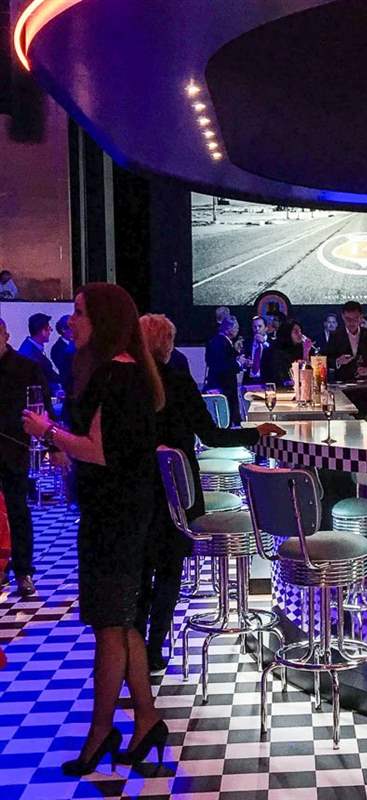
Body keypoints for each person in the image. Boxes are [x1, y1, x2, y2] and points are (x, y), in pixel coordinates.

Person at [22, 283, 166, 775]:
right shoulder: (125, 370)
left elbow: (100, 451)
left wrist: (48, 432)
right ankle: (146, 719)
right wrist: (65, 448)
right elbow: (105, 450)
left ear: (102, 320)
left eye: (80, 312)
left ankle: (101, 731)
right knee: (121, 623)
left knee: (110, 624)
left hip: (116, 516)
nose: (72, 320)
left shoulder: (115, 374)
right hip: (121, 510)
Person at [137, 314, 285, 671]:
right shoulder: (177, 380)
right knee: (169, 570)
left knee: (141, 573)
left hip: (138, 491)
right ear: (166, 344)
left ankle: (134, 648)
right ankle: (153, 649)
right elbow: (213, 435)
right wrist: (256, 434)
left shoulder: (127, 384)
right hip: (178, 494)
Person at [0, 317, 50, 597]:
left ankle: (23, 571)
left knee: (17, 510)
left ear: (5, 336)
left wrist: (53, 445)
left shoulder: (25, 368)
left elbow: (43, 407)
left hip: (12, 448)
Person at [204, 315, 248, 426]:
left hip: (219, 384)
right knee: (225, 418)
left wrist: (236, 353)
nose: (238, 330)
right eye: (236, 328)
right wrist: (239, 363)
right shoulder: (222, 343)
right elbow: (223, 366)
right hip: (224, 387)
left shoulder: (215, 341)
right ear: (229, 328)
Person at [325, 300, 367, 382]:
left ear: (361, 317)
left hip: (366, 382)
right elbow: (327, 360)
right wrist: (338, 361)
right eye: (348, 319)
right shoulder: (335, 335)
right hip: (343, 382)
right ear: (343, 317)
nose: (352, 323)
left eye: (355, 318)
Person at [18, 312, 61, 392]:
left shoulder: (32, 347)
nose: (50, 331)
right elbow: (38, 382)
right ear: (41, 331)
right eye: (48, 328)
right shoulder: (29, 353)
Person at [266, 318, 315, 385]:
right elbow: (282, 378)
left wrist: (306, 351)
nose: (300, 335)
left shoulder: (301, 348)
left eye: (300, 331)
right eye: (296, 332)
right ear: (287, 333)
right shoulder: (276, 351)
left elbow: (307, 376)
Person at [51, 314, 76, 394]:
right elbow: (64, 368)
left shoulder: (79, 343)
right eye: (72, 327)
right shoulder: (56, 348)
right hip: (68, 387)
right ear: (63, 329)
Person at [244, 315, 270, 383]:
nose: (257, 329)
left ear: (266, 328)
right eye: (254, 327)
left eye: (260, 326)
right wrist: (245, 362)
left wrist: (264, 343)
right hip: (249, 380)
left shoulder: (272, 343)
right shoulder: (247, 342)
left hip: (266, 380)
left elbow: (274, 355)